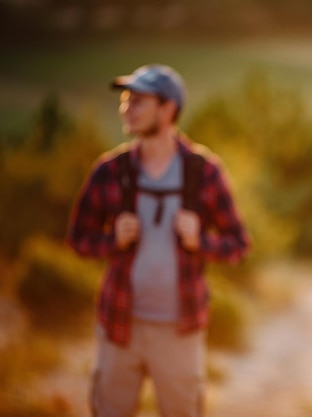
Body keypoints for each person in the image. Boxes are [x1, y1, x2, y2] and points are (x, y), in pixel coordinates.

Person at [67, 64, 251, 417]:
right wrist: (111, 241)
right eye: (126, 100)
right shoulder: (110, 170)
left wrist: (201, 242)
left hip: (181, 331)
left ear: (167, 109)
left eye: (138, 101)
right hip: (119, 326)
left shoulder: (204, 172)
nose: (126, 109)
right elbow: (77, 239)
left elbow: (239, 245)